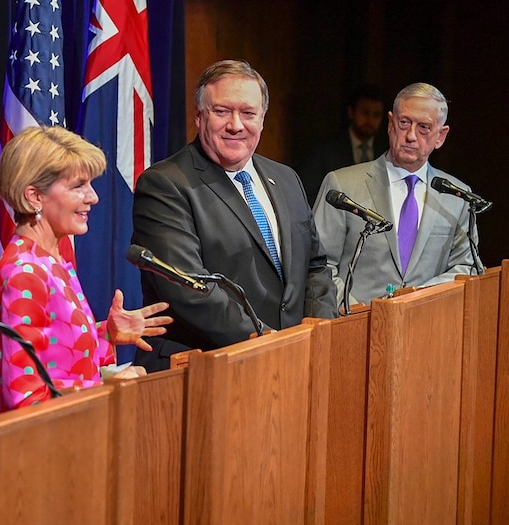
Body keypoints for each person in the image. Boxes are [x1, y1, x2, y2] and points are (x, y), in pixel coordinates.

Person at [131, 59, 338, 373]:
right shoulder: (165, 184)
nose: (236, 125)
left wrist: (317, 332)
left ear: (263, 119)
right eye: (222, 111)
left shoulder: (285, 178)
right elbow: (191, 290)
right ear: (199, 117)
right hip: (204, 369)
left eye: (248, 113)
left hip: (294, 363)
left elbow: (314, 266)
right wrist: (267, 342)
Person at [0, 126, 172, 412]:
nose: (93, 197)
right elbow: (25, 397)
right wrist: (110, 388)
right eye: (78, 186)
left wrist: (106, 334)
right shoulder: (24, 272)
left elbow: (59, 363)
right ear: (35, 196)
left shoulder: (53, 261)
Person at [312, 82, 477, 307]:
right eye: (404, 123)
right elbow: (319, 265)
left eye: (424, 128)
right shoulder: (342, 185)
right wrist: (358, 314)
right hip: (354, 326)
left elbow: (465, 268)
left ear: (441, 136)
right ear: (390, 124)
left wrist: (418, 301)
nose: (411, 135)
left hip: (428, 326)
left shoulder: (457, 196)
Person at [298, 84, 389, 206]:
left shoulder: (387, 150)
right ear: (351, 112)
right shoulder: (325, 149)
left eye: (376, 115)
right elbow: (308, 194)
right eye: (365, 113)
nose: (370, 120)